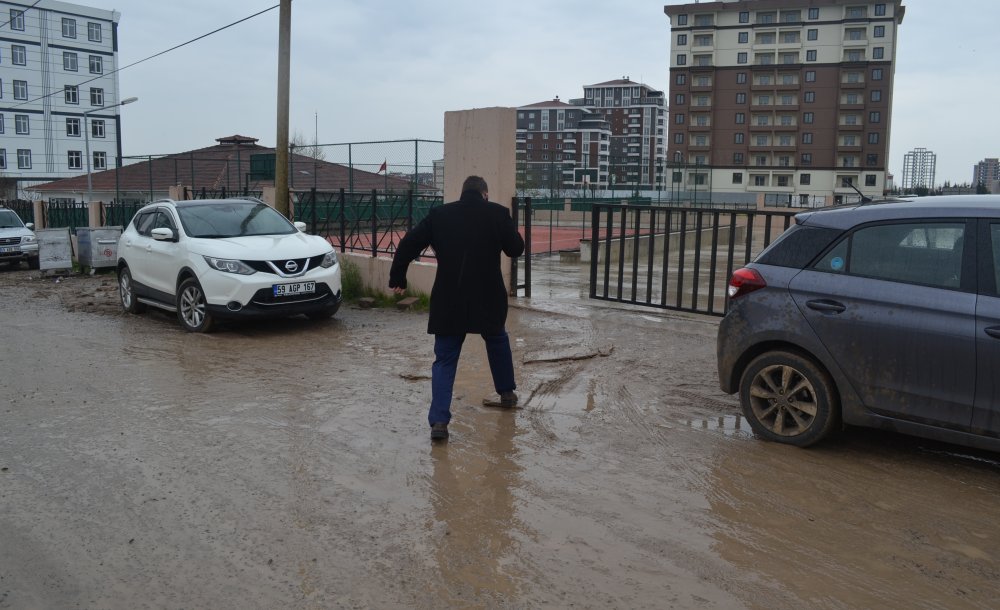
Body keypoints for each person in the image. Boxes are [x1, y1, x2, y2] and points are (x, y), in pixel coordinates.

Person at [389, 175, 525, 441]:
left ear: (463, 193)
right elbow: (516, 249)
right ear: (484, 194)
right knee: (497, 339)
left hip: (450, 298)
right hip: (488, 297)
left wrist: (398, 278)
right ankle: (506, 393)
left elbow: (408, 243)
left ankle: (439, 423)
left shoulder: (439, 214)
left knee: (445, 358)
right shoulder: (497, 213)